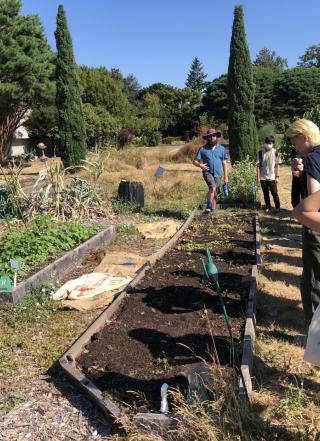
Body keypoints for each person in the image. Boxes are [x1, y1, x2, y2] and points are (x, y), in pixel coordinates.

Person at [286, 119, 320, 334]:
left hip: (316, 228)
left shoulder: (312, 159)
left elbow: (314, 199)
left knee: (313, 282)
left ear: (305, 137)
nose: (294, 146)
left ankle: (315, 336)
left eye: (295, 141)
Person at [193, 128, 228, 214]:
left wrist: (226, 177)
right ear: (207, 138)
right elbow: (194, 161)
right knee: (213, 187)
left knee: (215, 191)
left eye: (213, 135)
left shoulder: (221, 149)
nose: (212, 137)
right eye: (210, 136)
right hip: (207, 172)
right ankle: (208, 205)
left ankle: (213, 210)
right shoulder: (203, 149)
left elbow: (224, 163)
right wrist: (200, 165)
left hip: (218, 174)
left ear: (216, 136)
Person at [256, 135, 281, 213]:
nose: (269, 144)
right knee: (265, 193)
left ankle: (277, 207)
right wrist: (258, 177)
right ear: (265, 143)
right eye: (267, 142)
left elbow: (277, 165)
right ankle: (268, 207)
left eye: (270, 142)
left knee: (274, 193)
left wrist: (277, 176)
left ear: (273, 143)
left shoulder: (276, 153)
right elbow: (258, 166)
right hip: (263, 177)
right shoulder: (260, 153)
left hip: (272, 177)